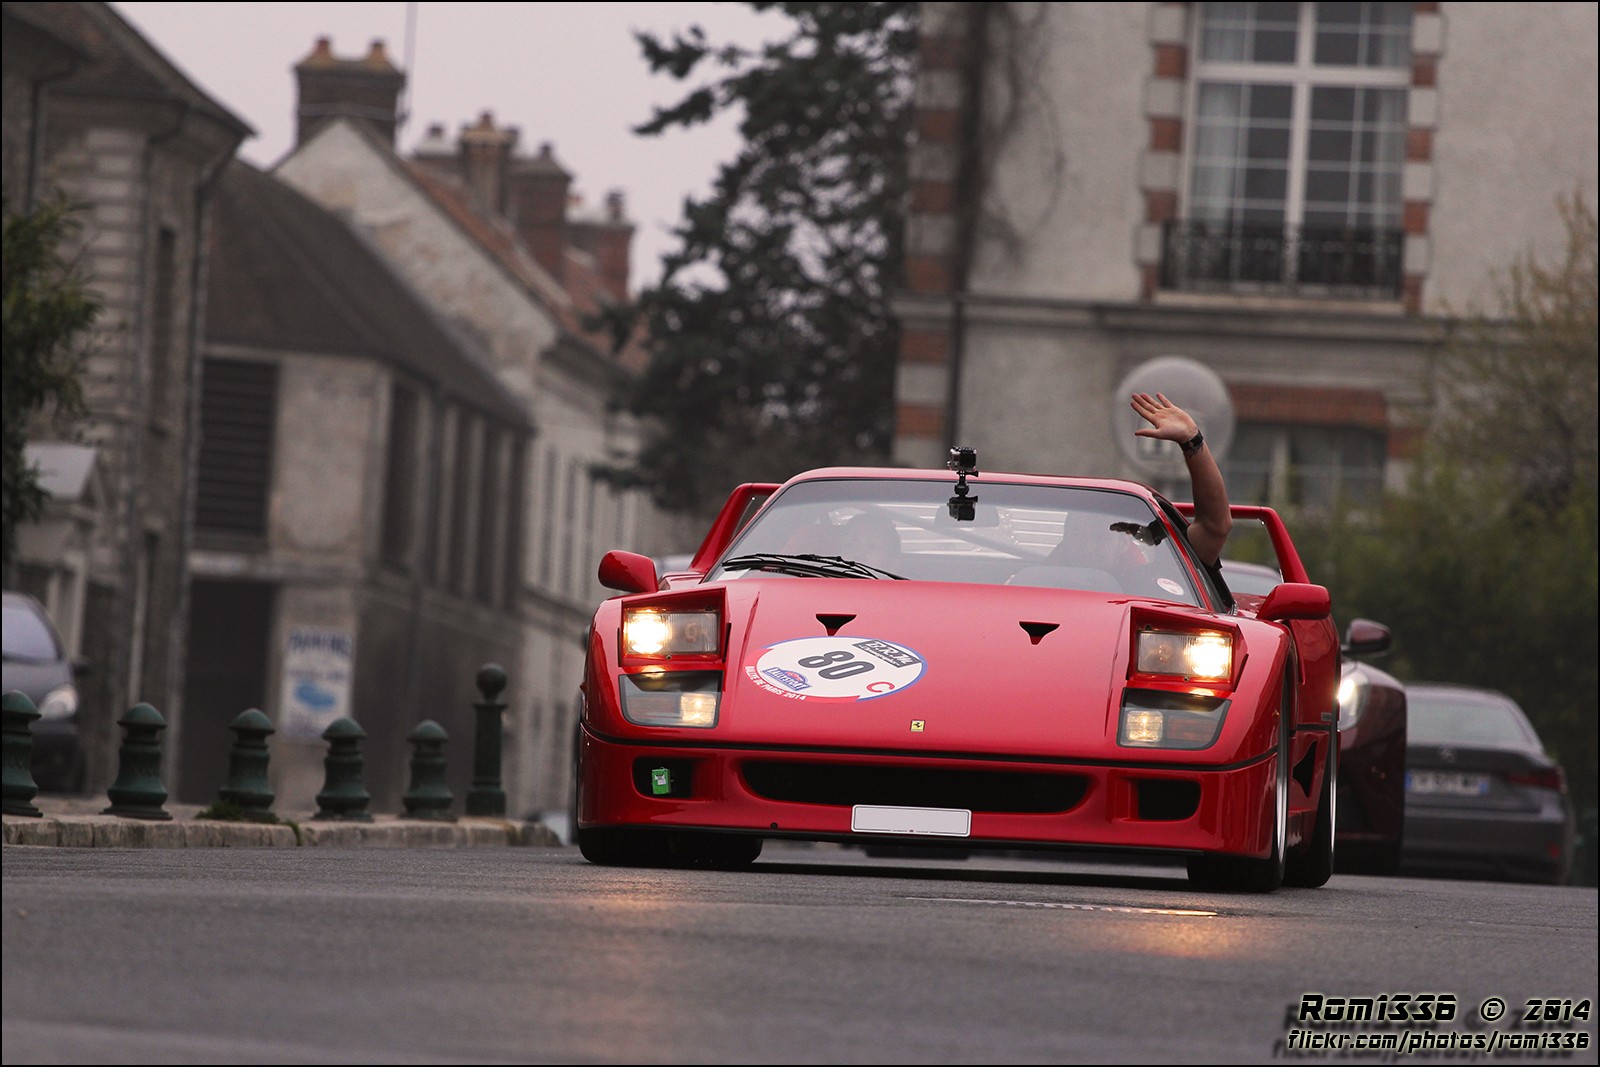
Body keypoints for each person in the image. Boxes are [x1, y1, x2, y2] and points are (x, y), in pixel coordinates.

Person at [1129, 390, 1232, 572]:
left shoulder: (1170, 570)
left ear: (1125, 539)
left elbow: (1216, 526)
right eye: (1083, 531)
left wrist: (1191, 440)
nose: (1093, 542)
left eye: (1105, 534)